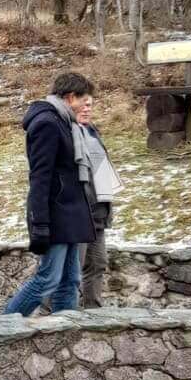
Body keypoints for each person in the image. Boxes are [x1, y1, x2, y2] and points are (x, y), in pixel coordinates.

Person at [1, 71, 97, 317]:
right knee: (47, 280)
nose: (85, 106)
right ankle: (1, 326)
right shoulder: (47, 123)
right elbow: (40, 178)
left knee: (70, 280)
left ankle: (64, 331)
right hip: (55, 214)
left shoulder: (64, 121)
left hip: (70, 214)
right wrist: (40, 223)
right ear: (71, 97)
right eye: (83, 100)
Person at [74, 93, 123, 308]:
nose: (87, 109)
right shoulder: (68, 133)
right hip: (79, 214)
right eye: (83, 105)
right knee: (72, 270)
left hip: (99, 211)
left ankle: (94, 316)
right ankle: (53, 316)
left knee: (97, 263)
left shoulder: (92, 131)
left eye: (90, 105)